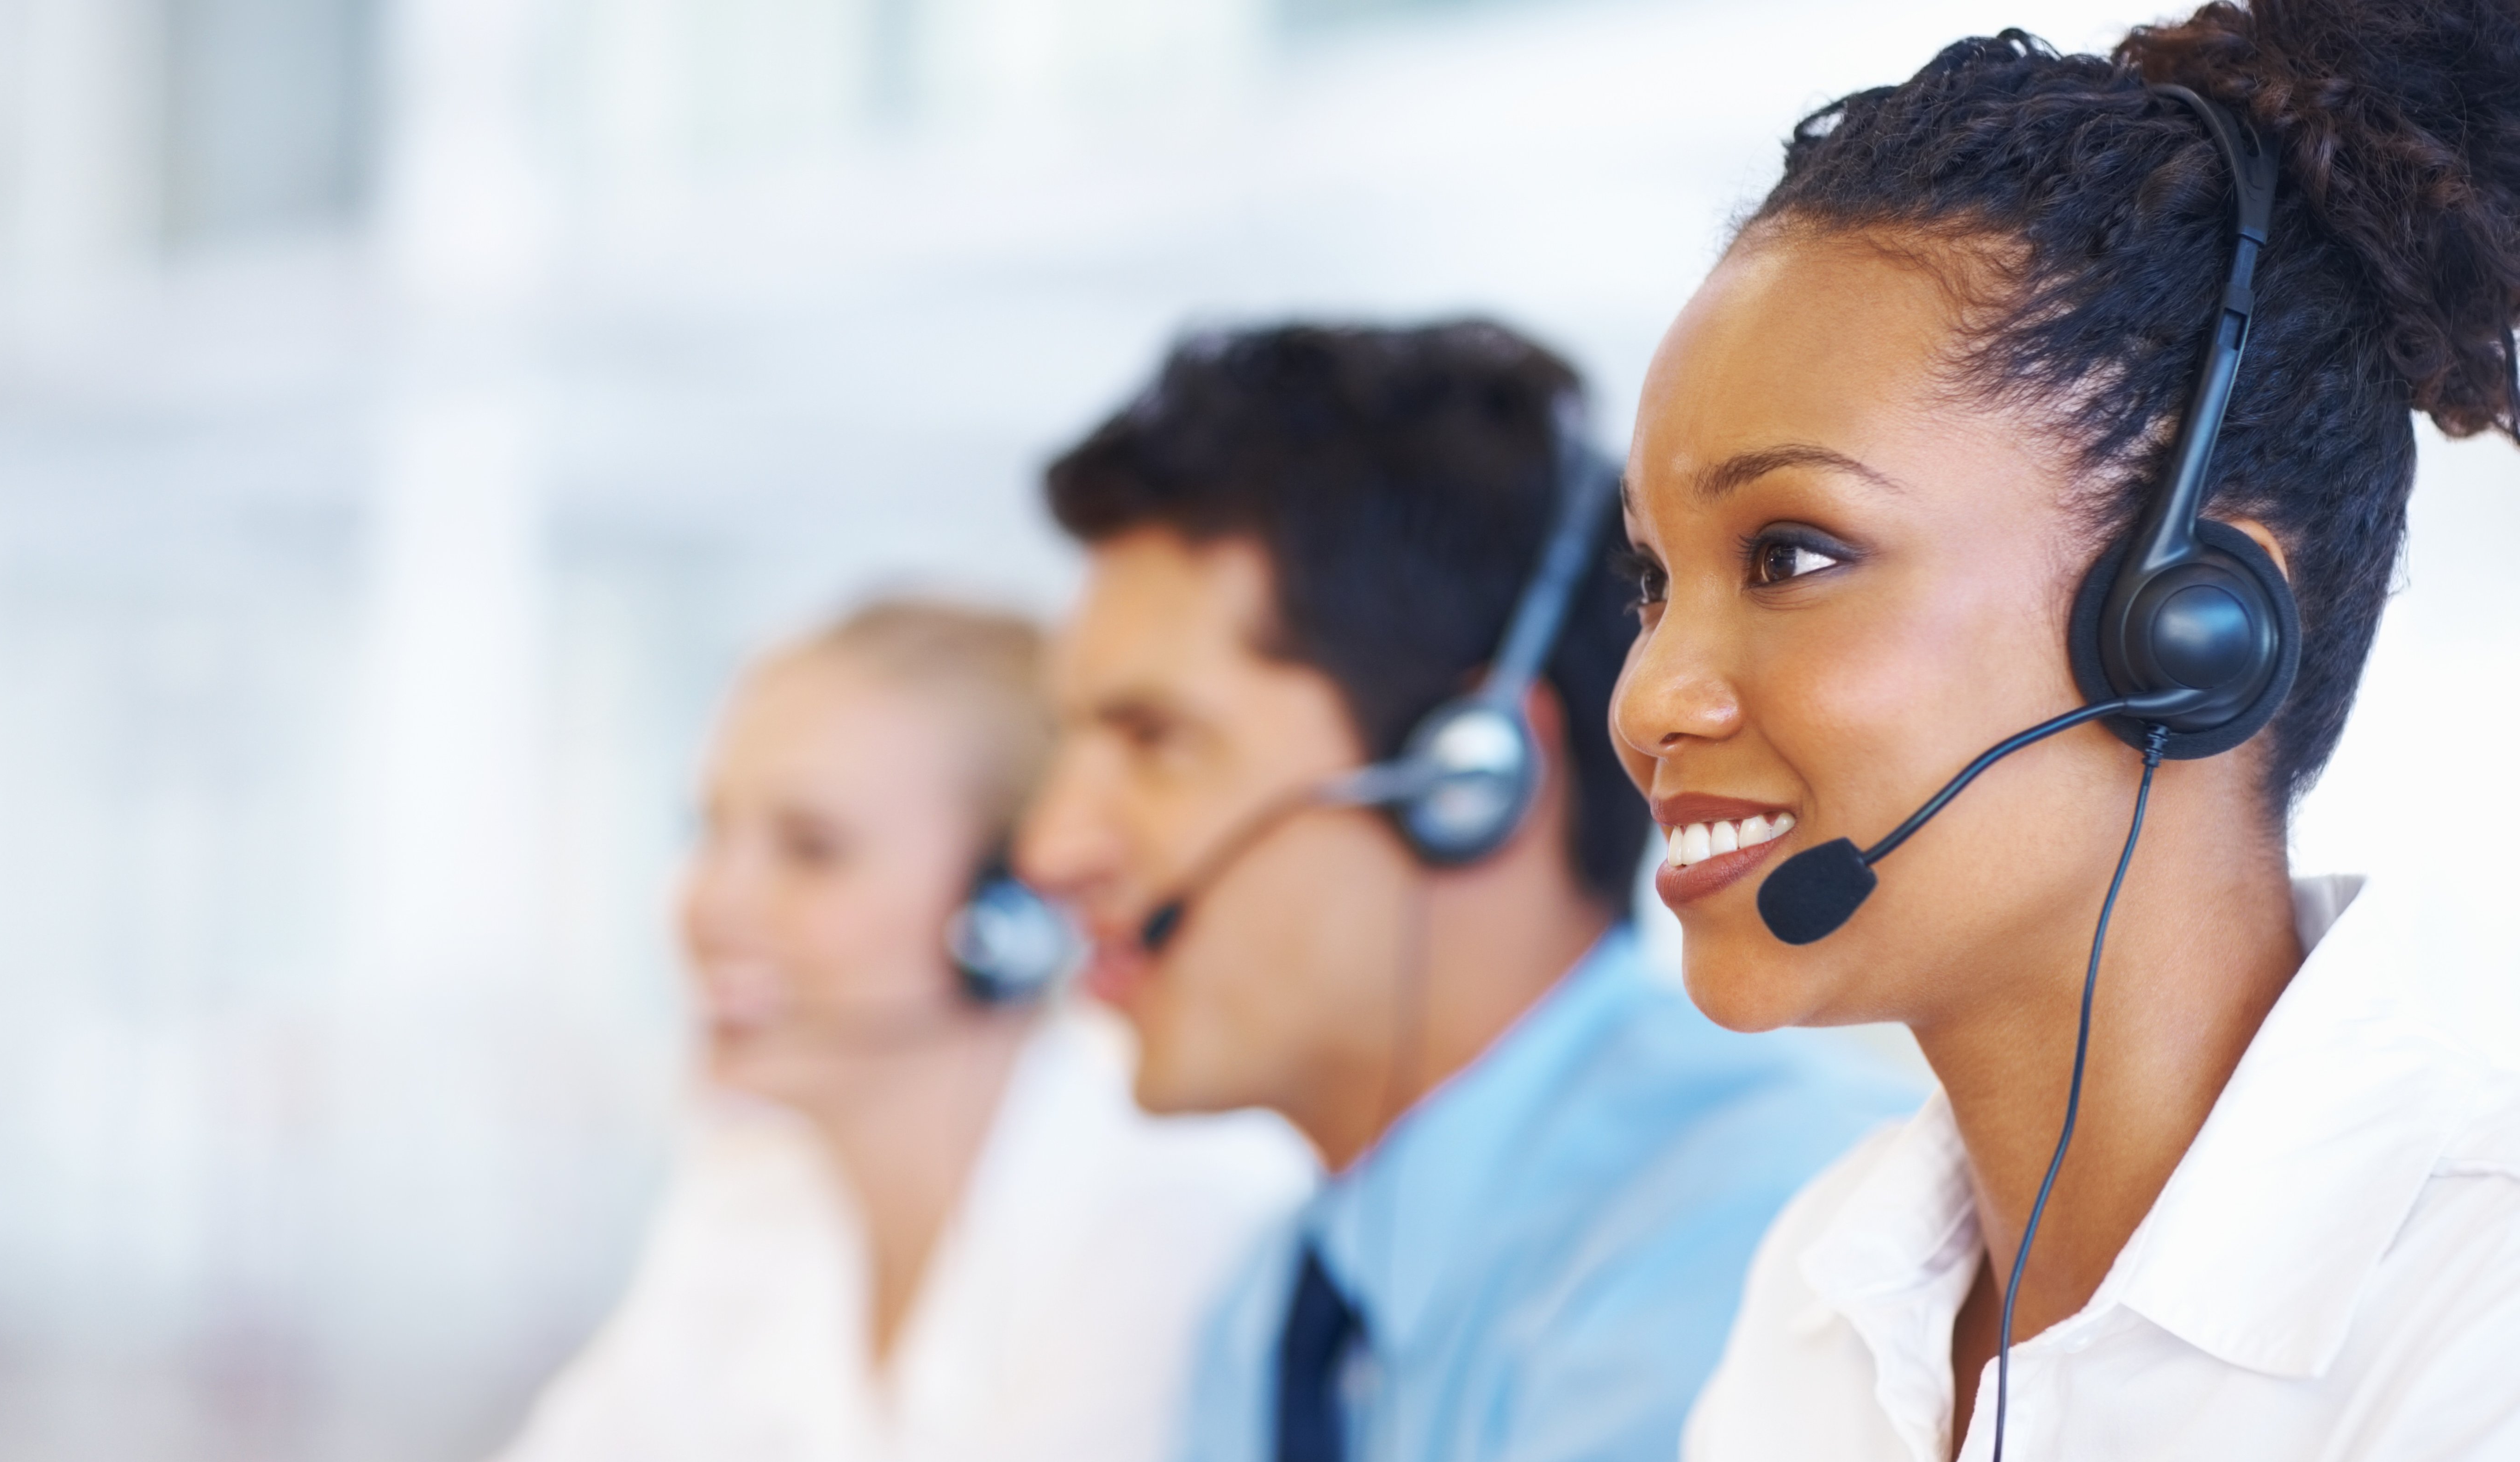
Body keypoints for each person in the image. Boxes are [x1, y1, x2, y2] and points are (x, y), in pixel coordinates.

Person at [1605, 2, 2520, 1458]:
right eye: (1654, 583)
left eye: (1789, 555)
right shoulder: (1824, 1293)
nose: (1649, 700)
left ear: (2192, 626)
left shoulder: (2481, 1325)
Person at [1016, 321, 1916, 1462]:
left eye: (1154, 739)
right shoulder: (1265, 1318)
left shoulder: (1772, 1245)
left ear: (1470, 773)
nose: (1050, 848)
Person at [493, 599, 1313, 1462]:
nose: (710, 904)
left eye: (812, 849)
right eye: (709, 832)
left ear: (1010, 911)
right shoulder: (754, 1188)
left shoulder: (1164, 1211)